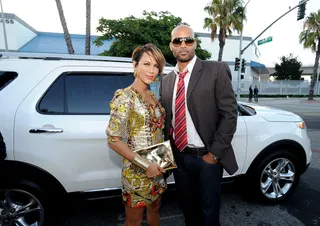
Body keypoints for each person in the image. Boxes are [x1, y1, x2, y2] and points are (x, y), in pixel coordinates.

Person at [159, 25, 238, 226]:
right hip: (180, 158)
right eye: (178, 41)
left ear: (195, 43)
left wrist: (213, 155)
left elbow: (229, 114)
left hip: (207, 159)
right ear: (171, 46)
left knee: (209, 213)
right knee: (188, 210)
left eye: (188, 40)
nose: (183, 45)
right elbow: (167, 122)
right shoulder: (167, 80)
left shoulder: (216, 70)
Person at [106, 43, 167, 226]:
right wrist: (145, 165)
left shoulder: (153, 96)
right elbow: (113, 140)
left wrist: (161, 162)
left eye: (156, 66)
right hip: (137, 172)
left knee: (155, 209)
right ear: (135, 65)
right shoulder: (125, 97)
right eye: (146, 64)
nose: (152, 70)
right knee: (134, 221)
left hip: (157, 167)